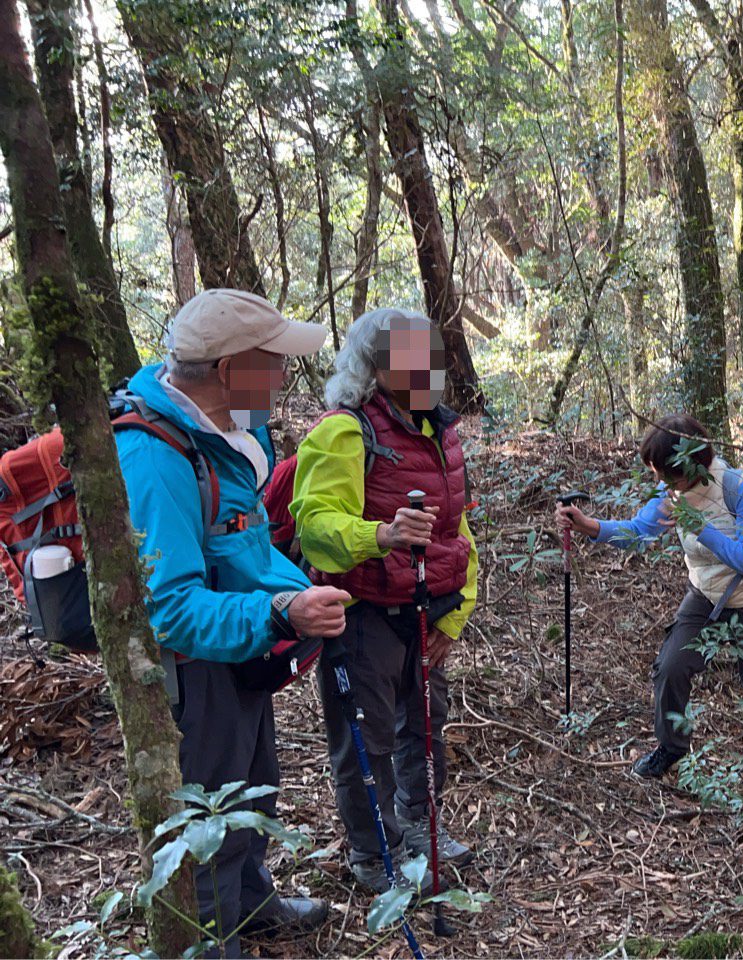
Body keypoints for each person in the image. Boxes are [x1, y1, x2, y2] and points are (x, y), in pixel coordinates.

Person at [114, 288, 344, 956]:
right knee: (207, 819)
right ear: (228, 368)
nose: (282, 377)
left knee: (254, 784)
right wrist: (277, 609)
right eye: (271, 362)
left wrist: (293, 594)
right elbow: (172, 610)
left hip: (240, 649)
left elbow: (245, 542)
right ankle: (212, 942)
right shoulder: (156, 459)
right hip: (190, 670)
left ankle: (253, 901)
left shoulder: (224, 437)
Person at [289, 308, 480, 894]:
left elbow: (458, 530)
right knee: (364, 739)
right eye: (409, 357)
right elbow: (314, 523)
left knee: (424, 725)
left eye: (430, 354)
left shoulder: (441, 432)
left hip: (427, 609)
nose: (427, 366)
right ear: (377, 367)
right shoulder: (344, 432)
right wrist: (382, 535)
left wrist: (459, 609)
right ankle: (374, 853)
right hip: (363, 614)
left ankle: (420, 829)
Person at [556, 414, 743, 786]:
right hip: (705, 593)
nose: (660, 482)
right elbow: (637, 532)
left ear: (691, 464)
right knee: (671, 666)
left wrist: (699, 526)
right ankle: (672, 746)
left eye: (666, 474)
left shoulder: (738, 487)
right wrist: (589, 526)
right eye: (657, 474)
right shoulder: (672, 492)